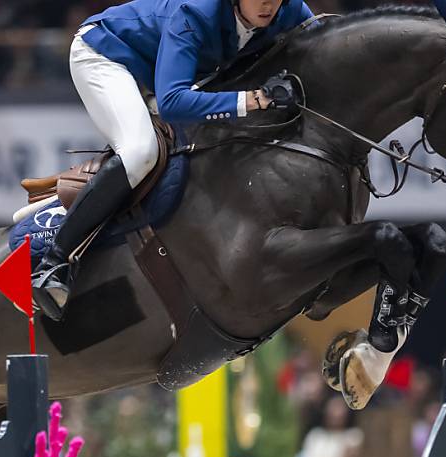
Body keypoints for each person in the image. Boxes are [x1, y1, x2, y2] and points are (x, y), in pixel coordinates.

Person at [31, 0, 313, 320]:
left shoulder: (291, 11)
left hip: (162, 70)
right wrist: (254, 99)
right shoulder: (197, 12)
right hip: (106, 53)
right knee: (140, 152)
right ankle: (53, 262)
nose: (268, 4)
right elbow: (172, 102)